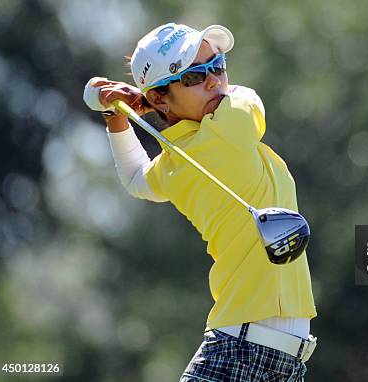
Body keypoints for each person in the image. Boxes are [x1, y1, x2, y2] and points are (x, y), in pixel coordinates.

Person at [84, 23, 317, 381]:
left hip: (273, 358)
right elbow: (249, 96)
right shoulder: (229, 125)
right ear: (160, 99)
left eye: (218, 65)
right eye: (194, 76)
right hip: (241, 351)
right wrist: (139, 102)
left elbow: (135, 179)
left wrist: (117, 117)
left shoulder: (177, 160)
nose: (214, 81)